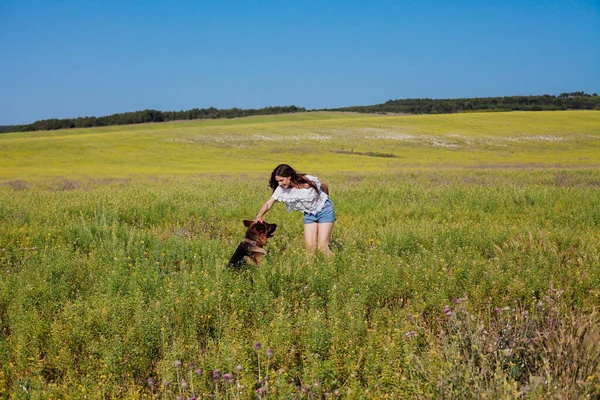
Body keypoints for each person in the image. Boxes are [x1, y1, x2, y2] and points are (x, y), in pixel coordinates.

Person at [255, 164, 336, 255]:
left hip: (324, 210)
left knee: (322, 247)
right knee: (310, 248)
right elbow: (268, 203)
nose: (280, 183)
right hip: (309, 214)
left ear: (289, 176)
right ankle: (309, 268)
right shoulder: (281, 189)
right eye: (278, 181)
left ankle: (333, 267)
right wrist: (259, 215)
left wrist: (325, 199)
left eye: (282, 180)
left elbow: (324, 186)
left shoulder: (307, 180)